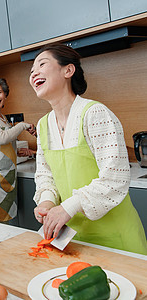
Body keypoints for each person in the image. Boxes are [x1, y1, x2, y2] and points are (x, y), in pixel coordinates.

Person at [30, 42, 147, 255]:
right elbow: (45, 175)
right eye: (31, 71)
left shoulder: (95, 114)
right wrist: (47, 202)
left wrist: (67, 207)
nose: (34, 73)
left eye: (42, 64)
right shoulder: (43, 125)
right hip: (75, 239)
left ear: (68, 70)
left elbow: (115, 177)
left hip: (115, 238)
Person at [0, 74, 36, 222]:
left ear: (5, 95)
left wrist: (19, 151)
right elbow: (2, 138)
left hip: (7, 175)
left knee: (7, 220)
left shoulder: (1, 117)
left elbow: (3, 146)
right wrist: (22, 125)